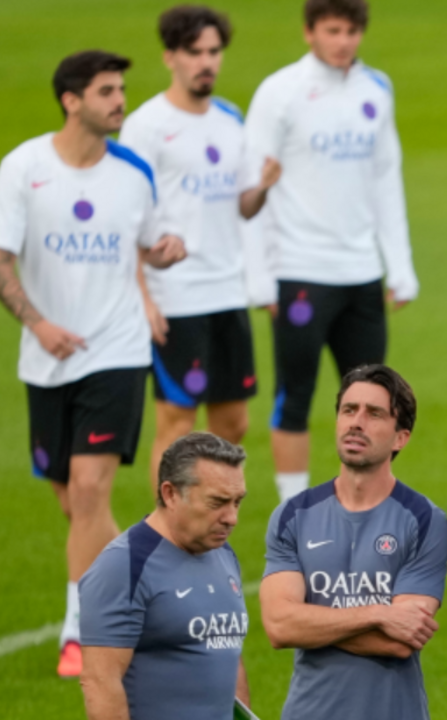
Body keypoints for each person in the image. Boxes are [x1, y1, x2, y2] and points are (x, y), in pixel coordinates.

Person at [0, 50, 187, 678]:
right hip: (46, 359)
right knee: (74, 504)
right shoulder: (24, 167)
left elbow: (146, 246)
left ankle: (80, 633)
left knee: (91, 489)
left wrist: (164, 254)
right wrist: (38, 324)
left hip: (118, 353)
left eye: (122, 88)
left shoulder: (132, 172)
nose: (120, 100)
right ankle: (157, 586)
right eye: (107, 91)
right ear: (72, 100)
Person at [242, 0, 419, 502]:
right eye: (333, 30)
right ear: (310, 32)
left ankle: (367, 504)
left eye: (352, 31)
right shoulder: (280, 93)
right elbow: (251, 191)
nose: (344, 41)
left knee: (374, 401)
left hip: (362, 275)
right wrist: (259, 281)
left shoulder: (376, 89)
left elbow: (387, 180)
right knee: (294, 397)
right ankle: (291, 512)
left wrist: (399, 267)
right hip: (300, 272)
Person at [120, 5, 282, 492]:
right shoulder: (146, 127)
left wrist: (266, 186)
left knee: (232, 426)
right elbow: (124, 220)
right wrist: (143, 298)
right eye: (195, 53)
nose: (206, 62)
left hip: (226, 293)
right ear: (170, 56)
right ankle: (167, 537)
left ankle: (210, 525)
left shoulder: (231, 119)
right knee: (176, 428)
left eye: (214, 52)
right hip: (176, 298)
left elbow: (243, 207)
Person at [259, 364, 447, 720]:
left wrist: (309, 624)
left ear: (400, 437)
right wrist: (378, 613)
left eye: (374, 413)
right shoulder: (292, 516)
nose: (356, 422)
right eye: (349, 410)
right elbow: (279, 626)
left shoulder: (424, 520)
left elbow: (400, 641)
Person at [79, 433, 253, 720]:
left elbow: (227, 655)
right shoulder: (124, 565)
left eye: (237, 502)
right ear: (171, 493)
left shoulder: (222, 553)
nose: (231, 517)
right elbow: (100, 682)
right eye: (217, 502)